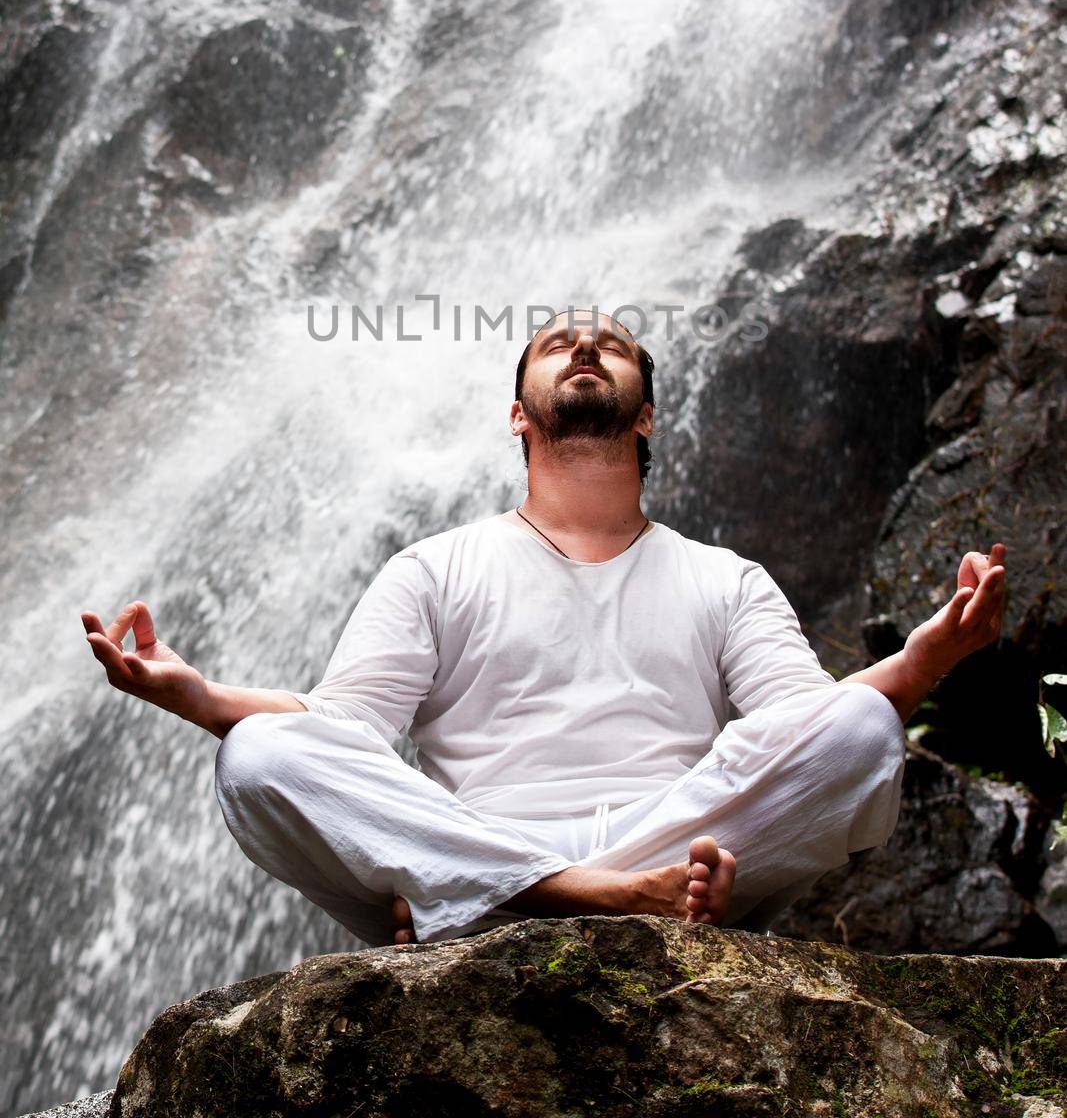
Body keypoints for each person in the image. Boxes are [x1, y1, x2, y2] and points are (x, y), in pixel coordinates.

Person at [82, 308, 1007, 948]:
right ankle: (568, 897)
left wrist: (930, 655)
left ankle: (492, 907)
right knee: (256, 757)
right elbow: (339, 729)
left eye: (610, 345)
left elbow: (804, 729)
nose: (584, 349)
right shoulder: (433, 569)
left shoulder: (724, 580)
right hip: (484, 835)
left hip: (666, 847)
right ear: (517, 414)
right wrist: (199, 698)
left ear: (646, 413)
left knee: (859, 728)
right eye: (559, 344)